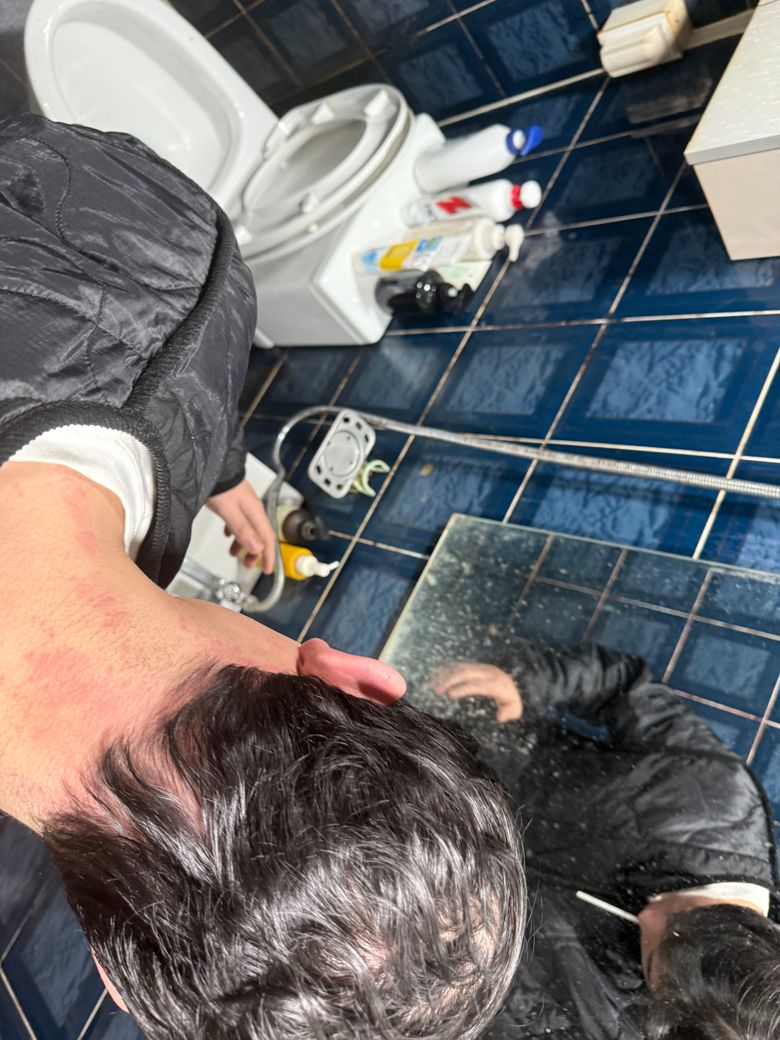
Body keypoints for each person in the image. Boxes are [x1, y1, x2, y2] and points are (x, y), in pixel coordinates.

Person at [0, 114, 526, 1039]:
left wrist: (188, 416)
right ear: (114, 974)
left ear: (359, 679)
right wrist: (209, 461)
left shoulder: (175, 263)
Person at [433, 642, 780, 1039]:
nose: (648, 917)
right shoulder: (720, 795)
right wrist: (526, 683)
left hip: (402, 859)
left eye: (650, 963)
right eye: (679, 916)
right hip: (466, 739)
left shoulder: (617, 1025)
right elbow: (622, 684)